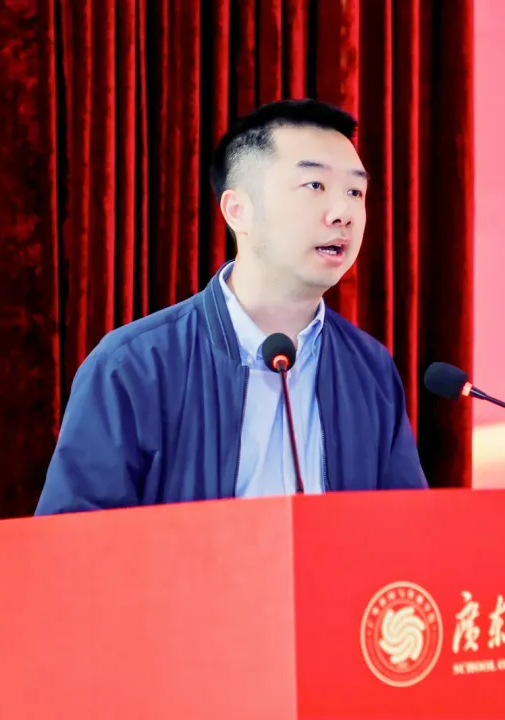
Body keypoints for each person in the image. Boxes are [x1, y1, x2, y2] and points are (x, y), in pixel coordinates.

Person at [35, 99, 428, 515]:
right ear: (238, 210)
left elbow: (405, 530)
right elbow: (71, 539)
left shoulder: (369, 369)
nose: (343, 213)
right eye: (315, 186)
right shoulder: (133, 366)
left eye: (355, 192)